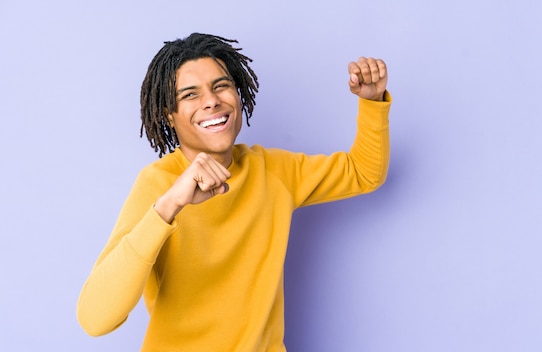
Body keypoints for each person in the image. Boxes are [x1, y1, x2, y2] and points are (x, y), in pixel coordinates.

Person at [77, 32, 391, 352]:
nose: (211, 101)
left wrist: (371, 101)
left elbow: (362, 173)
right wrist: (169, 205)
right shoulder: (158, 186)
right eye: (189, 95)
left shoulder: (273, 171)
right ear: (168, 116)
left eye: (221, 86)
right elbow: (95, 319)